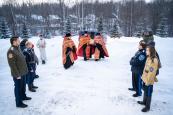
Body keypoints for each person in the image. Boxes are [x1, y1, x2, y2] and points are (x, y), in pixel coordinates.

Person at [7, 36, 31, 108]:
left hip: (23, 72)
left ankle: (23, 96)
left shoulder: (18, 48)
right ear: (14, 42)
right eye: (18, 40)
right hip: (18, 74)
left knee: (23, 86)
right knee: (18, 88)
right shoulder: (11, 51)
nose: (19, 41)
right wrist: (17, 75)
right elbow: (12, 64)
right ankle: (18, 102)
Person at [137, 45, 159, 112]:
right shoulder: (148, 58)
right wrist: (143, 77)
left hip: (149, 79)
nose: (146, 51)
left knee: (149, 92)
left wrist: (148, 81)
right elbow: (145, 69)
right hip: (145, 78)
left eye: (147, 50)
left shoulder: (154, 60)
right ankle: (144, 102)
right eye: (146, 50)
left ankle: (147, 106)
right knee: (145, 91)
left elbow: (151, 72)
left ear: (151, 51)